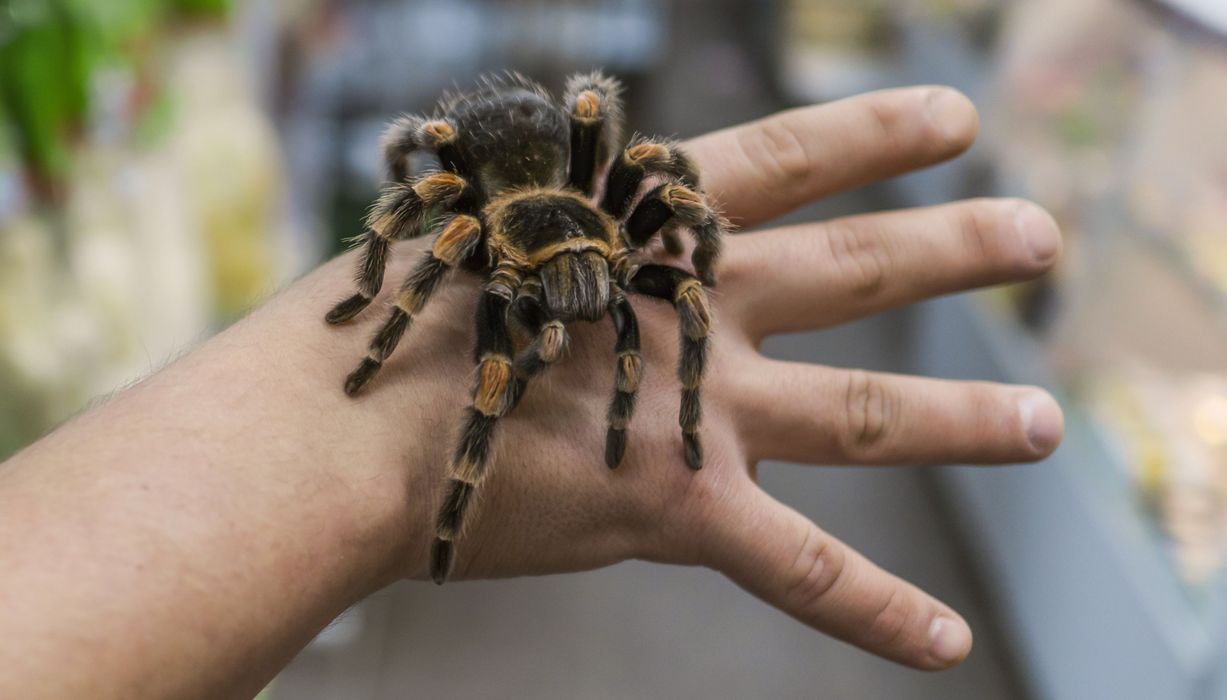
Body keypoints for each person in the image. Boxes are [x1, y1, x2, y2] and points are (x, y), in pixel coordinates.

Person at [0, 86, 1062, 699]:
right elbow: (419, 209)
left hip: (563, 192)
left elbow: (662, 183)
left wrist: (687, 364)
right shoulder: (469, 227)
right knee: (447, 237)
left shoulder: (621, 210)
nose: (598, 298)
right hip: (505, 192)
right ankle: (425, 442)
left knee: (671, 275)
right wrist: (372, 355)